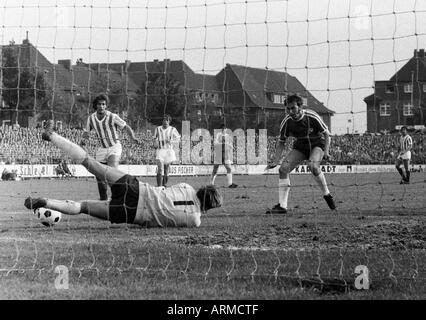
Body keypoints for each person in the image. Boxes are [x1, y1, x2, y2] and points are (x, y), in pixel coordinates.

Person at [24, 121, 222, 228]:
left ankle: (52, 135)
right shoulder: (195, 221)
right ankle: (47, 202)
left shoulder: (187, 188)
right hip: (134, 213)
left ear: (202, 190)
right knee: (83, 206)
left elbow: (166, 190)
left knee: (90, 163)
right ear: (208, 208)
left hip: (136, 188)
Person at [265, 94, 336, 214]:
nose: (290, 111)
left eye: (293, 108)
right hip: (301, 147)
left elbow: (326, 134)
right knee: (283, 169)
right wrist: (276, 160)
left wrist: (327, 151)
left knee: (313, 166)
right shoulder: (287, 122)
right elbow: (281, 141)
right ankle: (282, 206)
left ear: (300, 107)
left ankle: (327, 194)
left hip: (317, 144)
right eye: (288, 109)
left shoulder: (312, 116)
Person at [82, 93, 140, 200]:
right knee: (99, 177)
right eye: (99, 104)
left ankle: (117, 198)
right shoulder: (91, 119)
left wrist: (133, 137)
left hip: (114, 147)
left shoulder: (112, 116)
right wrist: (83, 141)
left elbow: (126, 127)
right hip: (101, 149)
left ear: (106, 105)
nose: (102, 106)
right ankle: (103, 200)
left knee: (111, 173)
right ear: (96, 105)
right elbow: (86, 132)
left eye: (104, 104)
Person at [152, 114, 181, 187]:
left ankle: (164, 185)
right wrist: (154, 143)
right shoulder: (157, 129)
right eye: (164, 120)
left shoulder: (173, 129)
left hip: (168, 151)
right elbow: (154, 138)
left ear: (169, 122)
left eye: (167, 120)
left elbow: (178, 139)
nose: (165, 121)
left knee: (166, 169)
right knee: (160, 169)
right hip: (160, 150)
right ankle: (159, 187)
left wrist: (171, 141)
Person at [210, 124, 238, 188]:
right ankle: (211, 184)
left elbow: (231, 145)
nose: (223, 130)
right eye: (222, 129)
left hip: (226, 154)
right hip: (219, 154)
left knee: (229, 168)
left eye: (224, 129)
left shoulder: (228, 136)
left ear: (226, 129)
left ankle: (230, 184)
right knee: (215, 169)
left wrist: (231, 147)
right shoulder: (218, 135)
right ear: (220, 129)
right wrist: (223, 144)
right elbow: (215, 143)